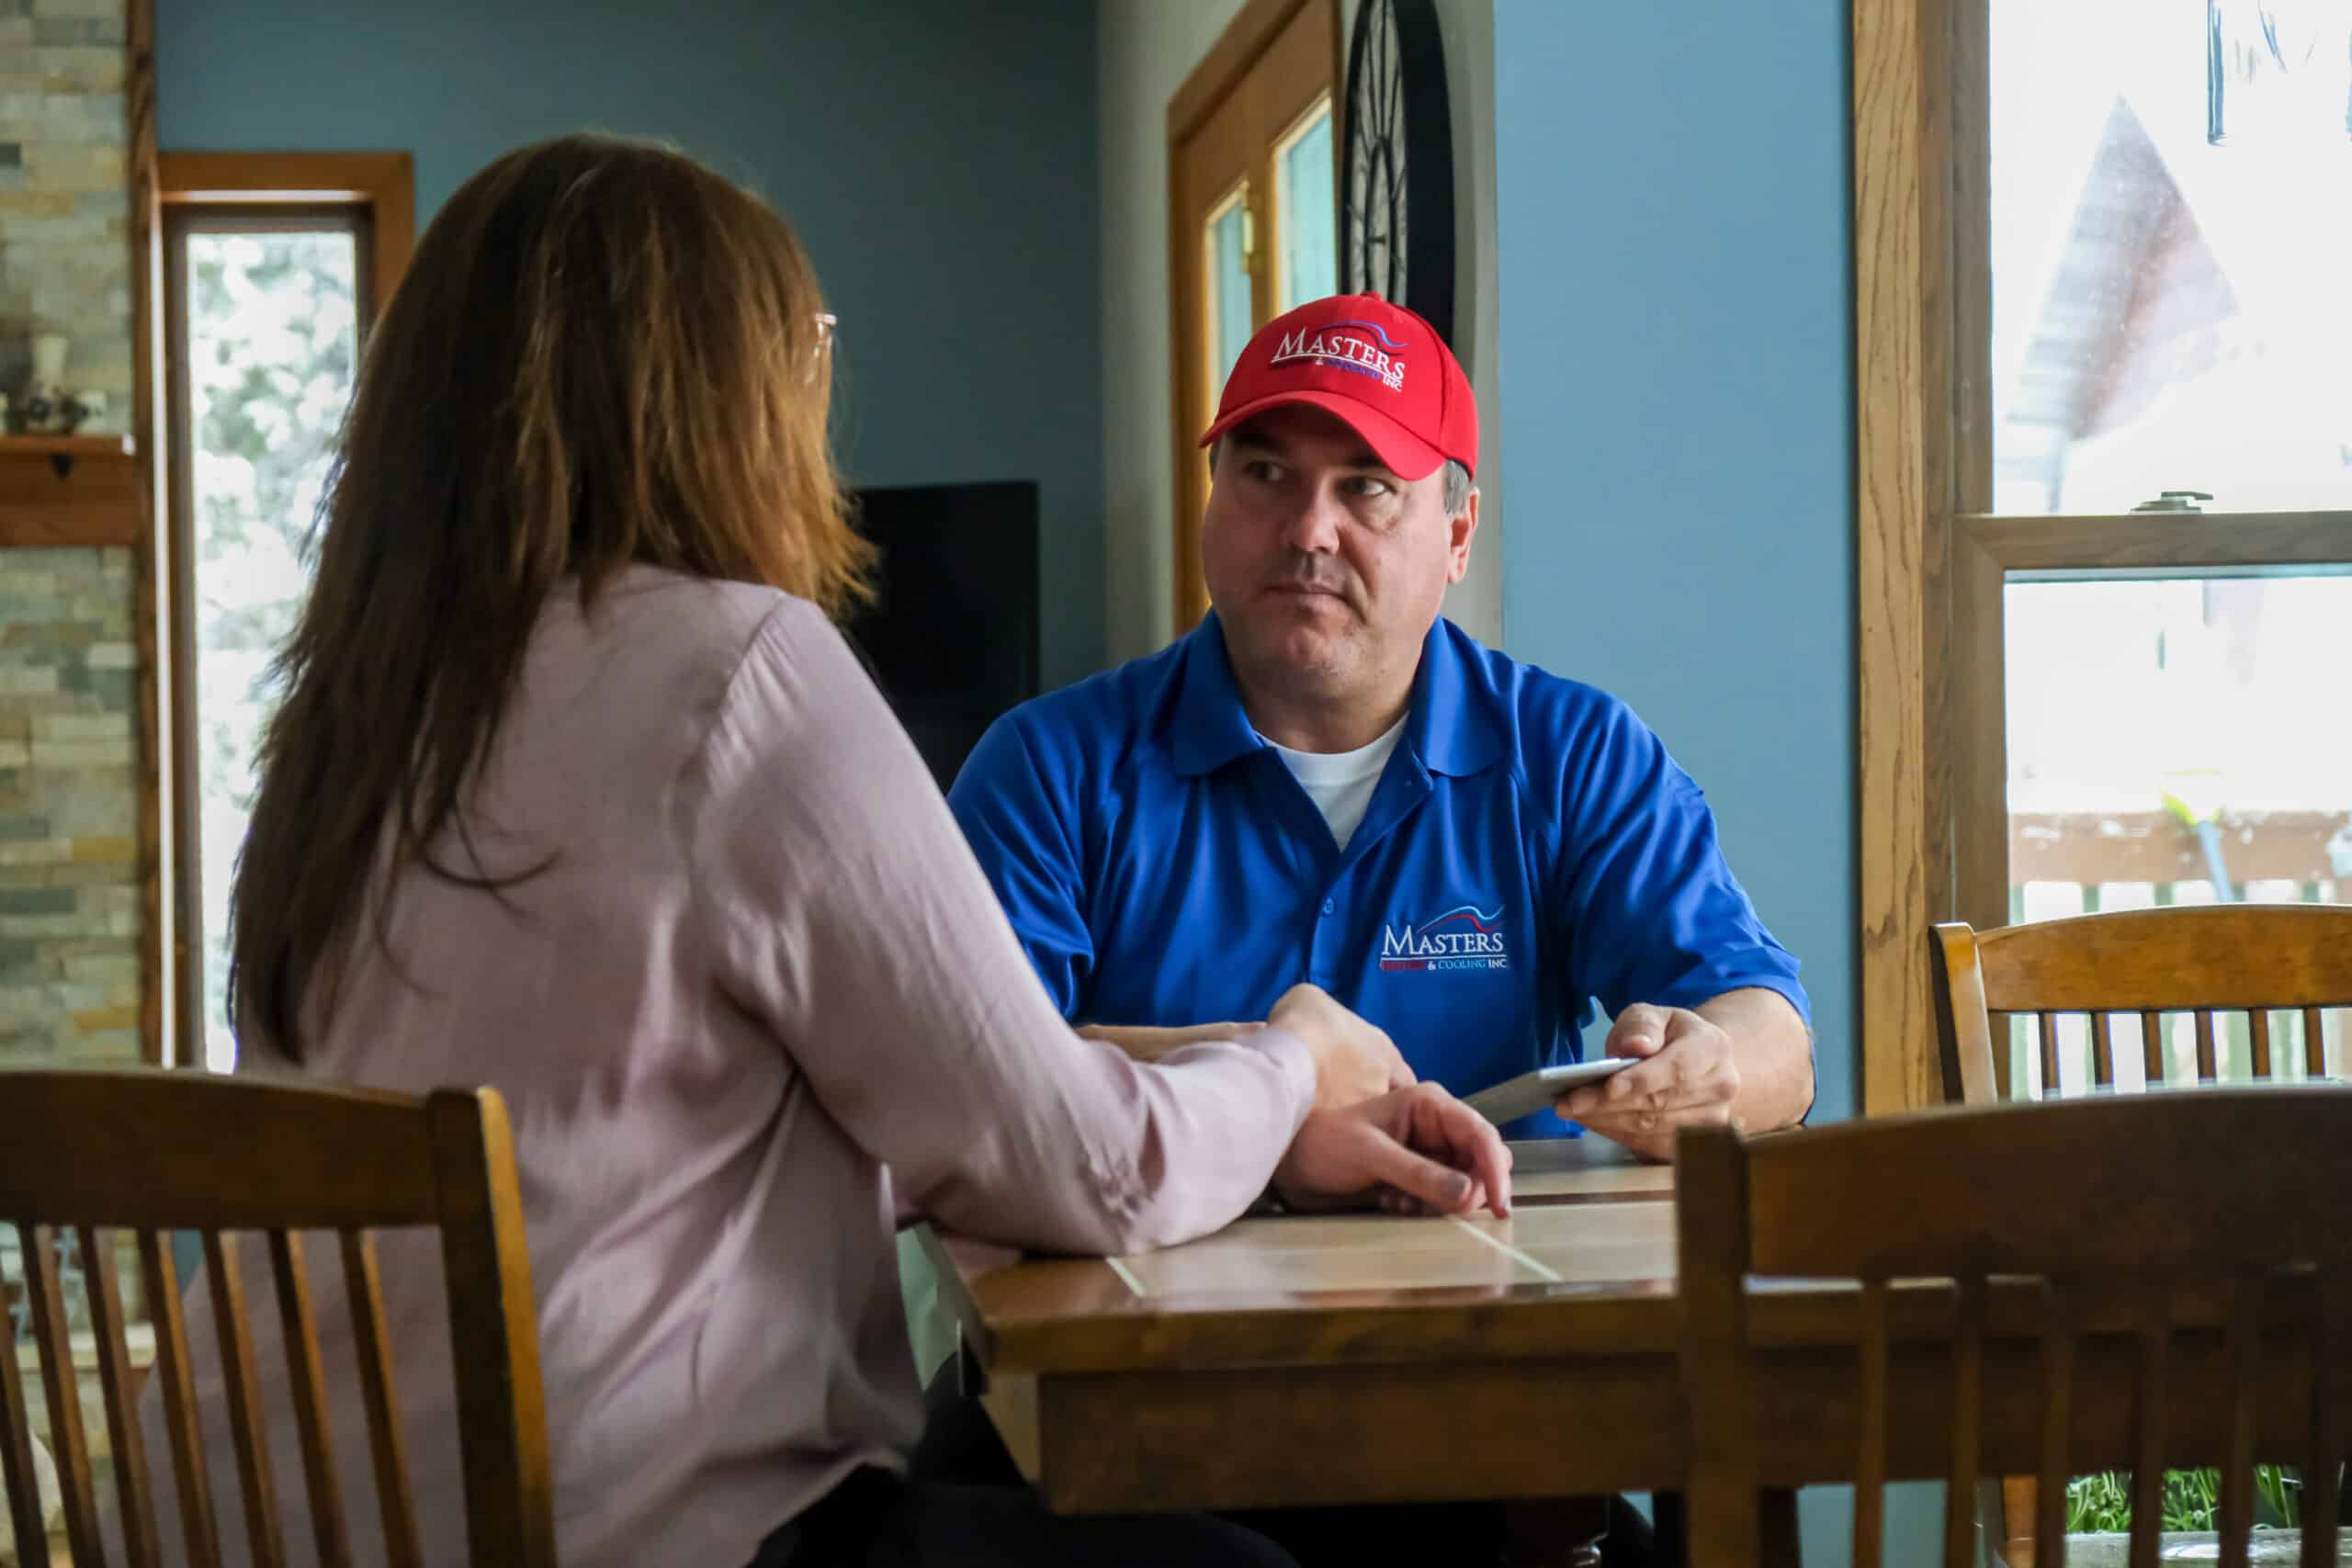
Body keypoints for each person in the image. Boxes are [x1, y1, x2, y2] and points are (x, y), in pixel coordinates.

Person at [131, 137, 1511, 1568]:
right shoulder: (739, 669)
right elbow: (1082, 1167)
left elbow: (680, 1131)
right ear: (717, 389)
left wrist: (1247, 1093)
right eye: (806, 341)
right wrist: (1292, 1054)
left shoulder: (364, 714)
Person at [949, 291, 1815, 1160]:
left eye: (1365, 487)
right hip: (1156, 1285)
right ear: (1211, 497)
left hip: (1496, 1275)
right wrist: (1276, 1067)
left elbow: (1772, 1032)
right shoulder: (1047, 773)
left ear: (1458, 532)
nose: (1309, 530)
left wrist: (1715, 1070)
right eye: (1265, 474)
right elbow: (960, 1076)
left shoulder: (1571, 754)